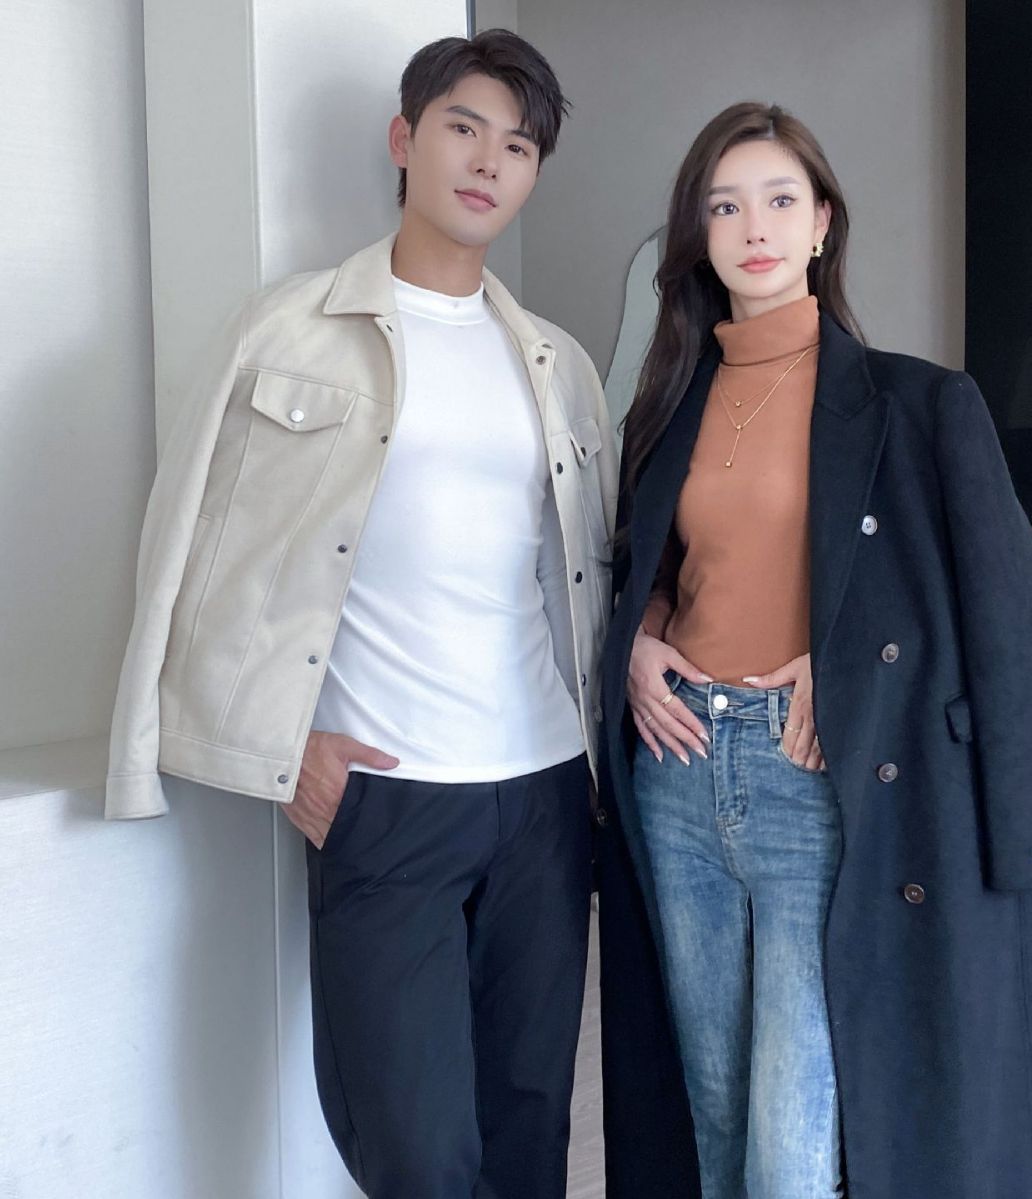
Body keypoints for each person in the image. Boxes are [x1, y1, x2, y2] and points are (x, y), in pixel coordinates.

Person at [105, 29, 617, 1199]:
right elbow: (191, 545)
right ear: (404, 138)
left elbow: (585, 570)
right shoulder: (286, 330)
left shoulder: (556, 362)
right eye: (462, 128)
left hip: (543, 788)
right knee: (414, 1148)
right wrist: (279, 747)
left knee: (528, 1130)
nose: (486, 161)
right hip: (386, 793)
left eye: (517, 146)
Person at [596, 101, 1032, 1199]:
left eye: (779, 200)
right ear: (698, 235)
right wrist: (637, 641)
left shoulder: (919, 403)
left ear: (821, 223)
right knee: (709, 1109)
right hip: (678, 772)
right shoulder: (667, 404)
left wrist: (853, 662)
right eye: (724, 206)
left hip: (811, 781)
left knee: (791, 1142)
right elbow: (648, 565)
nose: (753, 227)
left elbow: (1004, 615)